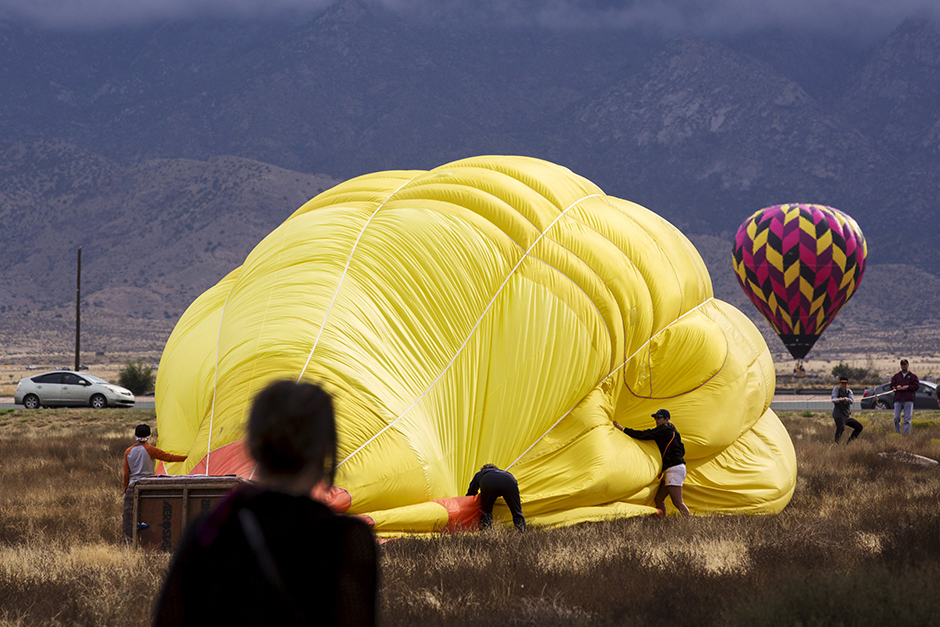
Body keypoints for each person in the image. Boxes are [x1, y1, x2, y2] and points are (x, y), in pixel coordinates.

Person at [153, 381, 378, 627]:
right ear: (326, 448)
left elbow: (170, 618)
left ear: (251, 446)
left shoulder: (210, 532)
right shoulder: (348, 539)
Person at [613, 409, 691, 517]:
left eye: (659, 418)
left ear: (667, 419)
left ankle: (690, 521)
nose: (656, 420)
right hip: (673, 469)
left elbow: (645, 434)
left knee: (677, 502)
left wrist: (623, 429)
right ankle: (662, 522)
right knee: (659, 499)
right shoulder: (674, 433)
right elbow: (682, 450)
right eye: (655, 418)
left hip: (674, 469)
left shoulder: (665, 429)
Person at [122, 424, 187, 542]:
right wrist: (187, 458)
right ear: (148, 436)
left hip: (132, 484)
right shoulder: (150, 450)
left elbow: (126, 473)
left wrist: (125, 488)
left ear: (135, 435)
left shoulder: (128, 451)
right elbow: (169, 458)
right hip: (147, 483)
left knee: (133, 512)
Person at [466, 464, 526, 531]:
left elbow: (471, 493)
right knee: (517, 512)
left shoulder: (480, 473)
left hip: (488, 482)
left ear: (483, 470)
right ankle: (522, 532)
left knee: (486, 511)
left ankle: (487, 533)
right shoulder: (505, 472)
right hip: (510, 481)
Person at [891, 359, 920, 436]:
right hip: (898, 399)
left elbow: (916, 386)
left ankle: (906, 435)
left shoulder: (913, 376)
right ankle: (897, 434)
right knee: (896, 418)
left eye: (905, 364)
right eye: (902, 365)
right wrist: (896, 387)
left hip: (908, 400)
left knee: (907, 419)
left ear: (908, 365)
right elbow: (891, 386)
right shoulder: (896, 376)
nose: (903, 366)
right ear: (901, 366)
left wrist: (907, 387)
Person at [831, 376, 862, 443]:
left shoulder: (849, 391)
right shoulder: (836, 389)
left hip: (846, 416)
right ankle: (836, 444)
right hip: (838, 415)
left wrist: (846, 399)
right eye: (842, 383)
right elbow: (833, 399)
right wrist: (840, 399)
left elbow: (851, 401)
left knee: (859, 427)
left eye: (845, 383)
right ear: (839, 383)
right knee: (841, 428)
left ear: (847, 384)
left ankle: (849, 443)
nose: (844, 385)